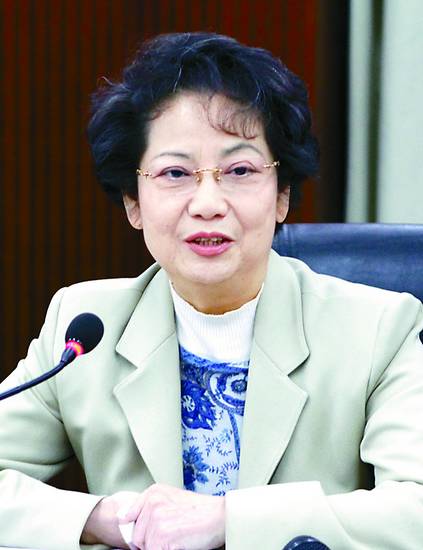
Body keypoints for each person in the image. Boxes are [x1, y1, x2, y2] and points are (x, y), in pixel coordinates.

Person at [1, 31, 423, 550]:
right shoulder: (84, 326)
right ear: (134, 202)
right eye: (175, 173)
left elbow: (416, 509)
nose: (207, 203)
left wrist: (230, 521)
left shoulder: (379, 329)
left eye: (240, 170)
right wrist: (101, 518)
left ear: (282, 195)